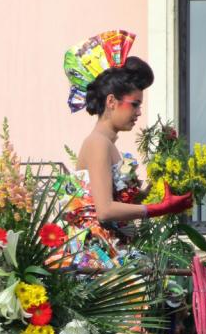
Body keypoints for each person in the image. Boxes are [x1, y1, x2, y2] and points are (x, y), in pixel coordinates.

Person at [57, 31, 192, 272]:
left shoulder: (107, 144)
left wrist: (155, 187)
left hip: (114, 251)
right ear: (111, 102)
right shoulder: (97, 143)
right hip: (98, 258)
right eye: (135, 104)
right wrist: (159, 208)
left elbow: (117, 205)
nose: (139, 112)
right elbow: (106, 210)